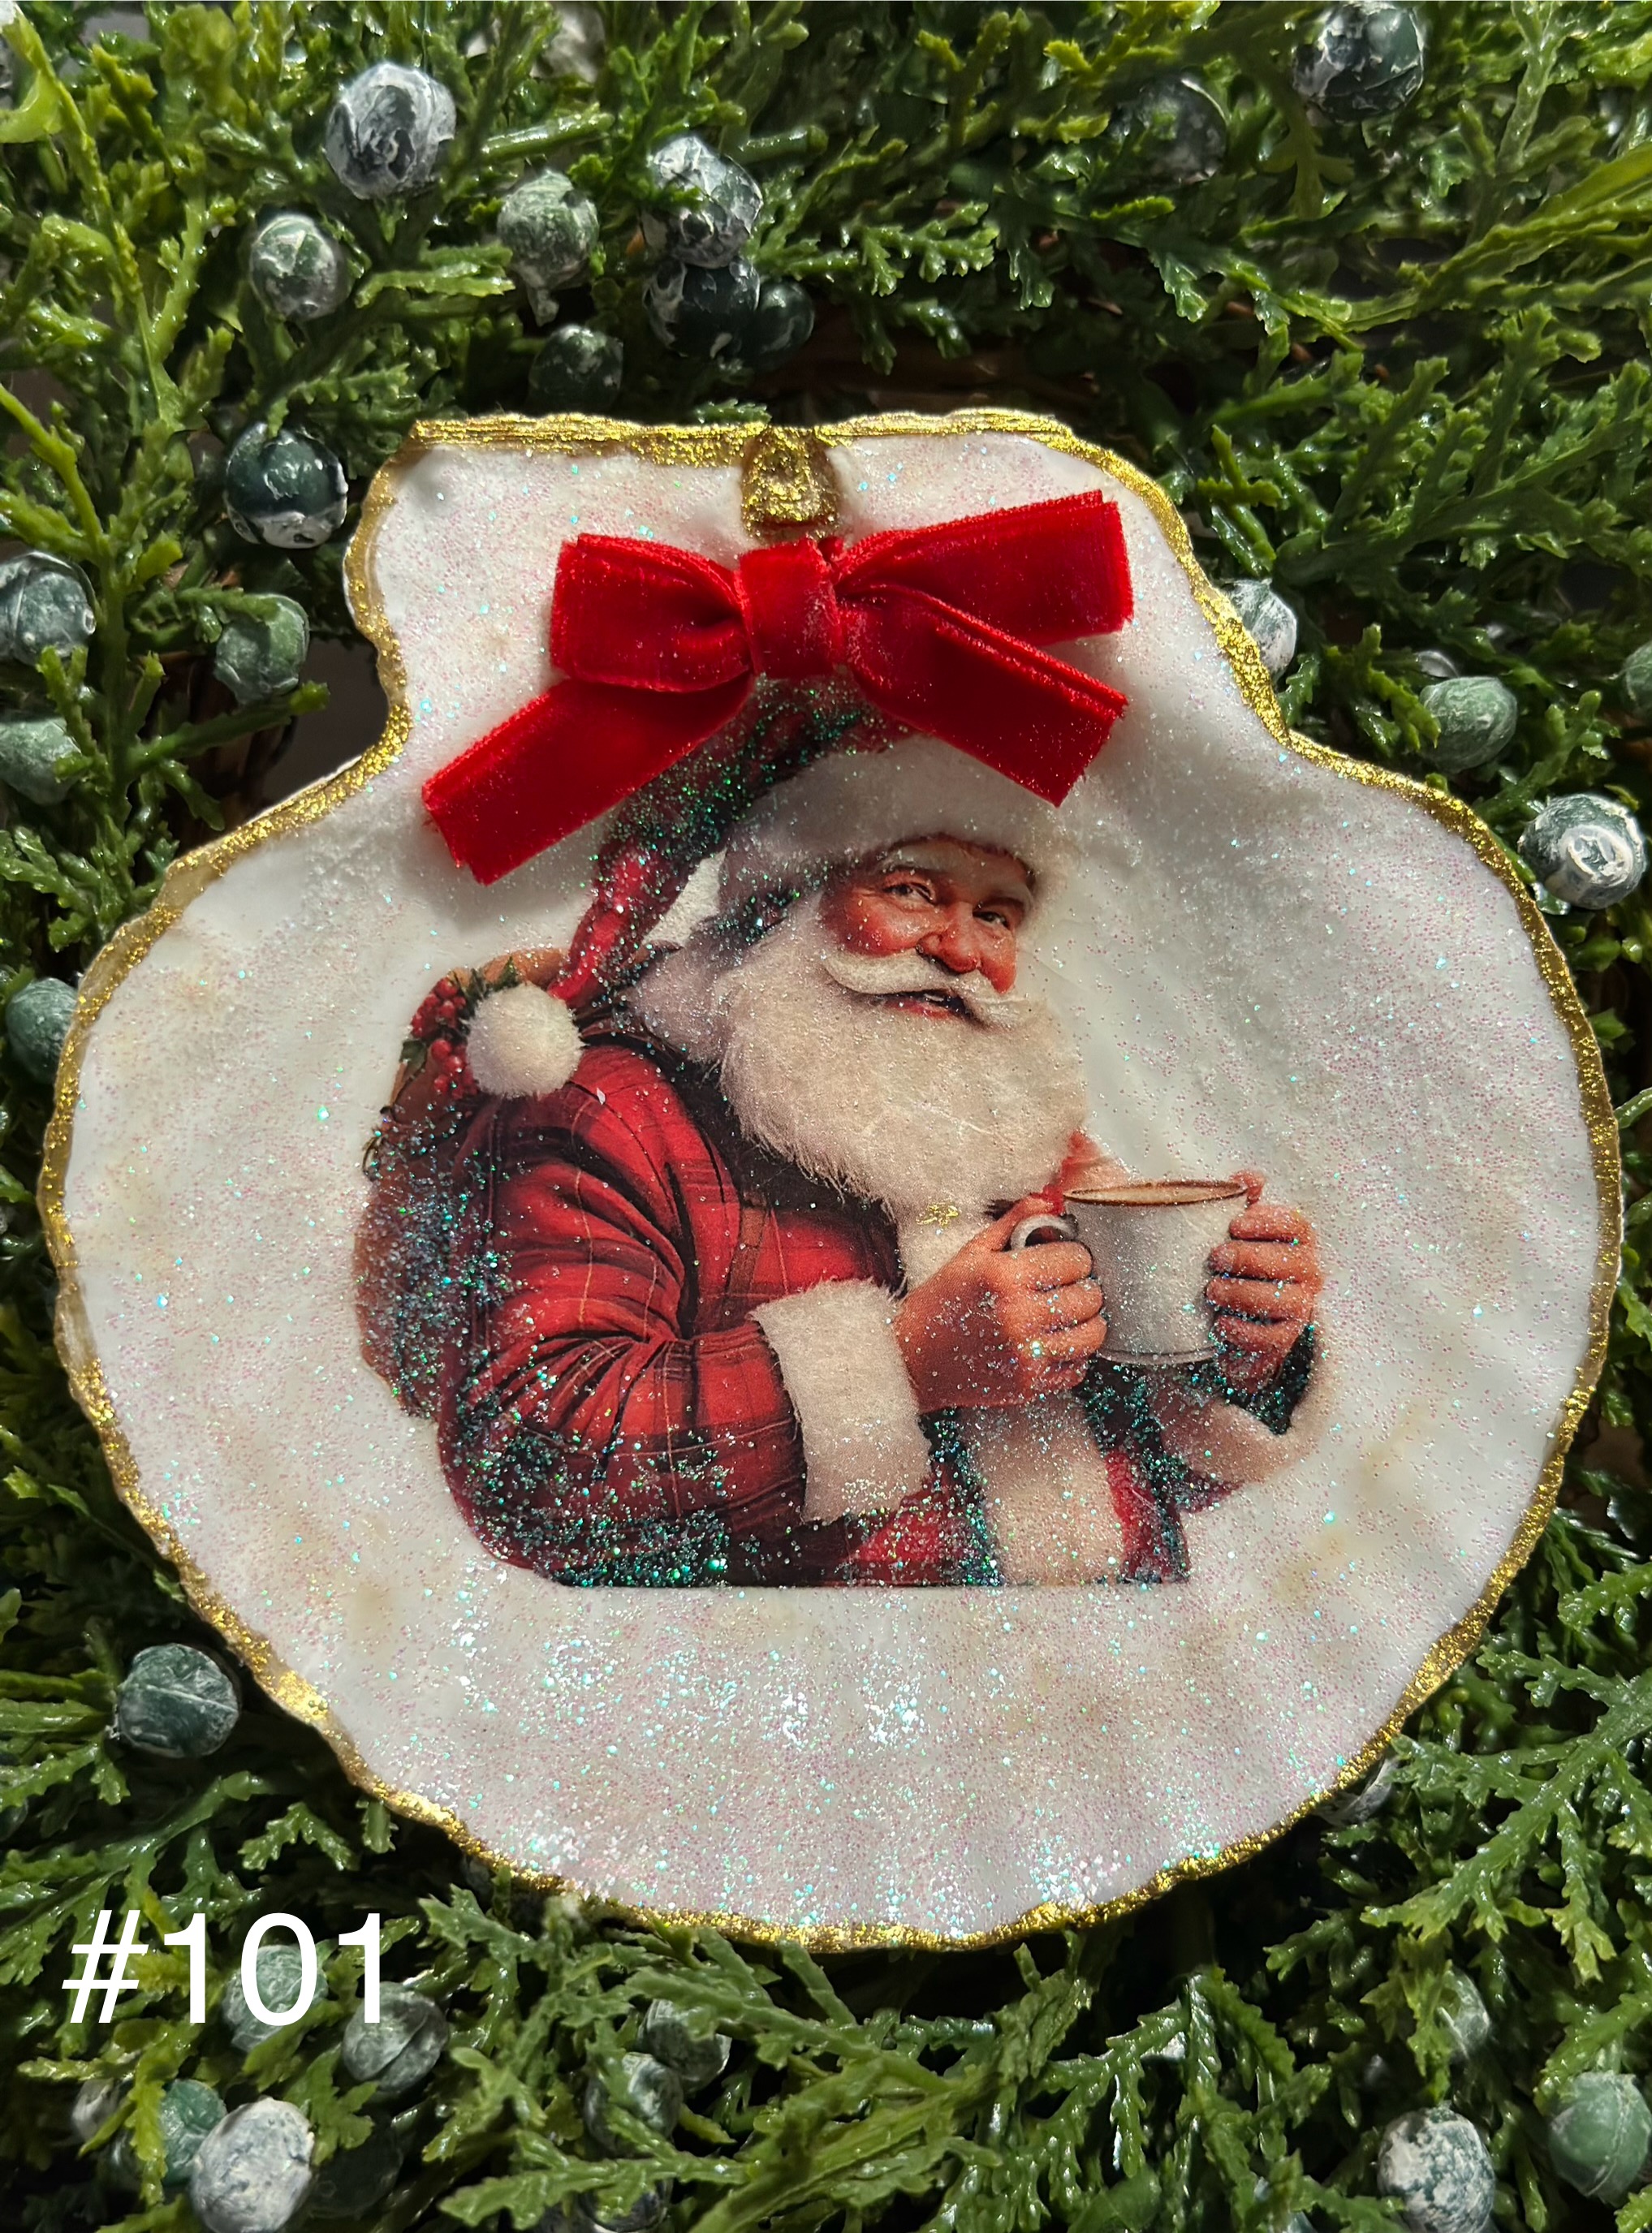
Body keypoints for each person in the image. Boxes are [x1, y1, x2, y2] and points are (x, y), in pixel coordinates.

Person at [360, 737, 1325, 1586]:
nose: (962, 949)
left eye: (998, 914)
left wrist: (1240, 1352)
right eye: (913, 891)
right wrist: (900, 1366)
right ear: (782, 903)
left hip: (1086, 1690)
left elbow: (1130, 1475)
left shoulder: (1020, 1134)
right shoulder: (615, 1107)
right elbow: (524, 1467)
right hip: (781, 1698)